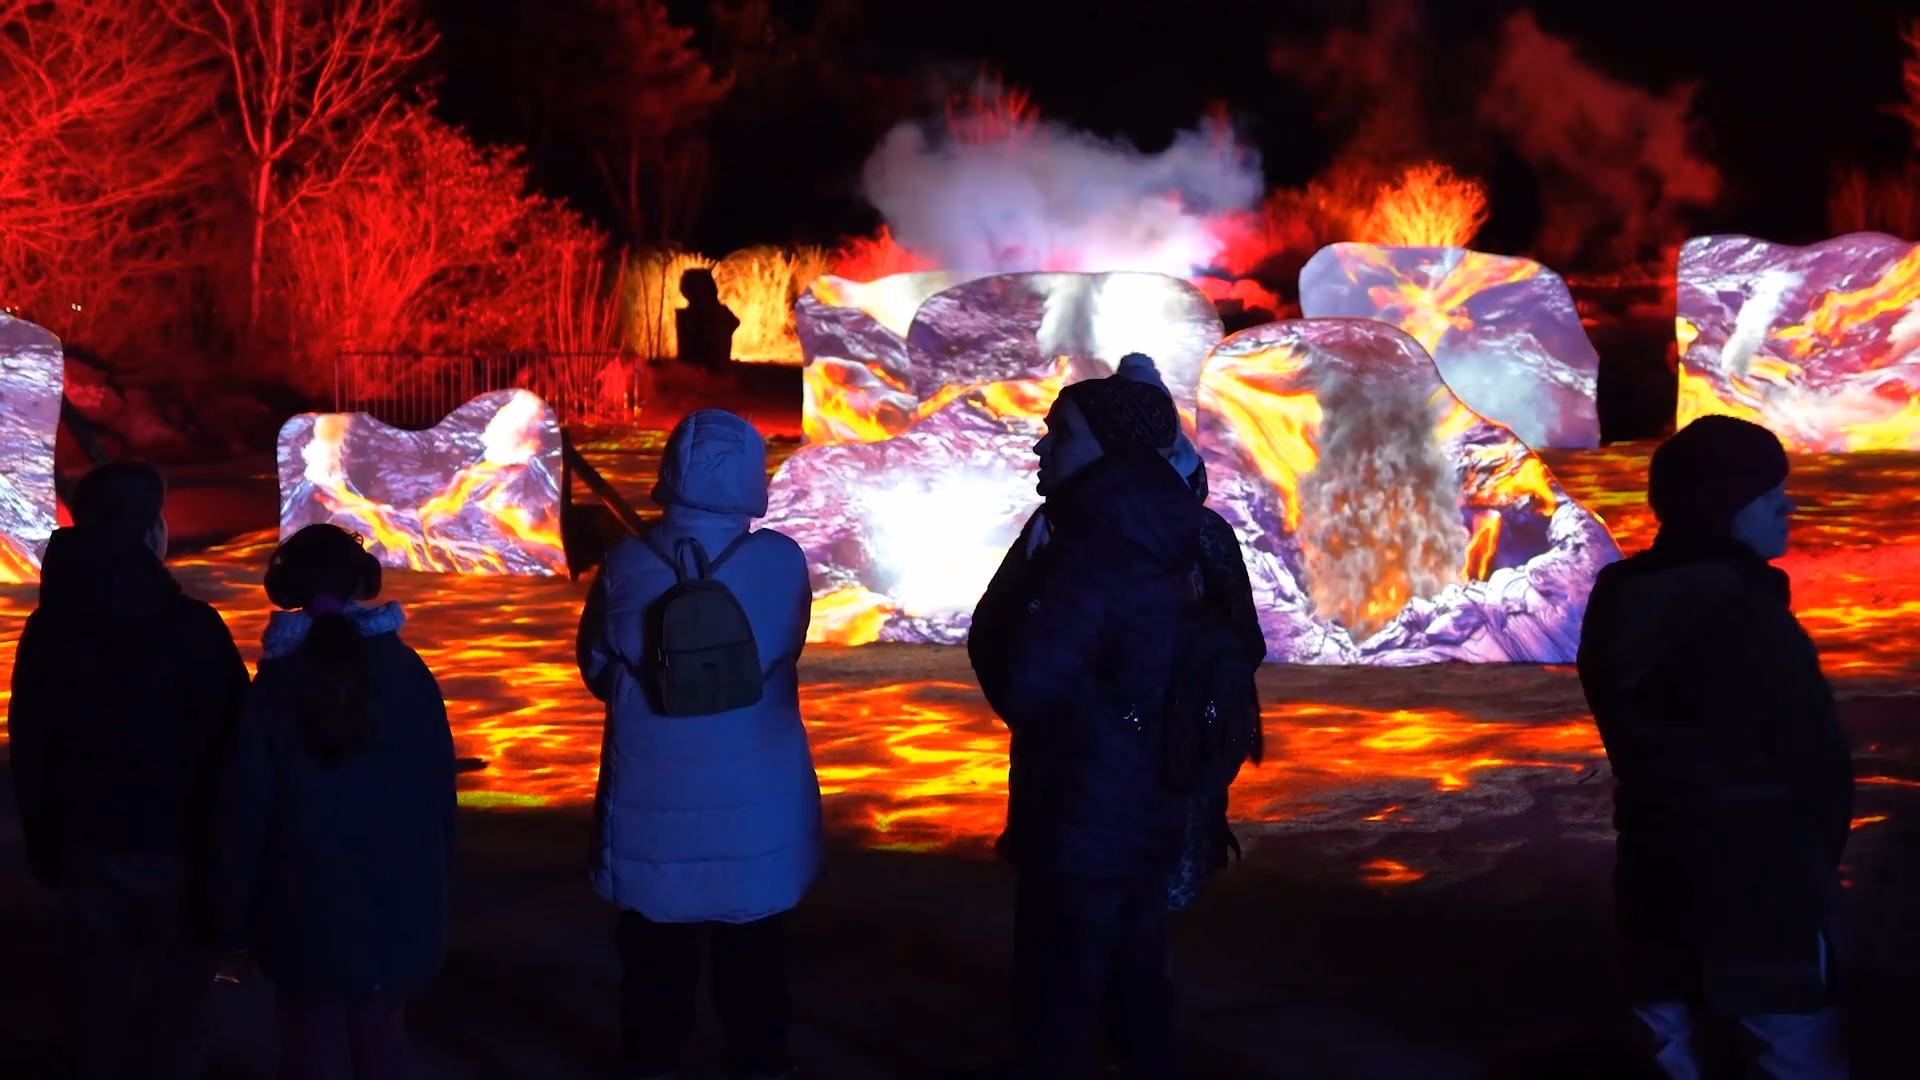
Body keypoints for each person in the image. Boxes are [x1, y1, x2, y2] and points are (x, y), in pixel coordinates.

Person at [1577, 415, 1854, 1080]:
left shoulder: (1618, 600)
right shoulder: (1748, 616)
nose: (1786, 506)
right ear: (1727, 508)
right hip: (1760, 868)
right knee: (1789, 1041)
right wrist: (1815, 861)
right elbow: (1813, 759)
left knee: (1668, 1036)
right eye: (1769, 494)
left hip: (1653, 857)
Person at [969, 373, 1213, 1079]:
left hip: (1081, 807)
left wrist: (1012, 598)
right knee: (1137, 978)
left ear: (1108, 445)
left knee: (1060, 992)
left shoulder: (1090, 553)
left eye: (1061, 432)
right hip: (1146, 800)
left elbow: (1025, 681)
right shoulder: (1168, 531)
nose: (1041, 445)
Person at [578, 408, 819, 1080]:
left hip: (652, 797)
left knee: (654, 960)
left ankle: (653, 1061)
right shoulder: (781, 562)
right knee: (756, 956)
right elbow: (790, 643)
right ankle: (758, 1061)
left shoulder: (626, 562)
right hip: (757, 798)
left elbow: (597, 664)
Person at [6, 461, 249, 1080]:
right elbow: (233, 740)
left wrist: (46, 841)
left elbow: (32, 742)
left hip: (85, 839)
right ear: (150, 531)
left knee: (97, 1002)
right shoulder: (190, 627)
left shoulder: (48, 629)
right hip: (178, 844)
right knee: (179, 1006)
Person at [212, 523, 456, 1080]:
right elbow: (441, 797)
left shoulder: (273, 689)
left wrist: (231, 925)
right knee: (382, 1034)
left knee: (307, 1041)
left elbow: (244, 813)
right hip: (402, 903)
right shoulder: (411, 675)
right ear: (362, 583)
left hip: (302, 908)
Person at [1114, 353, 1267, 912]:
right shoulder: (1082, 526)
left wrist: (1206, 688)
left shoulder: (1200, 532)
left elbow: (1243, 637)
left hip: (1174, 726)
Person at [675, 267, 740, 374]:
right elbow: (735, 322)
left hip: (708, 375)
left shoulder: (714, 314)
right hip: (706, 373)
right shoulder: (719, 312)